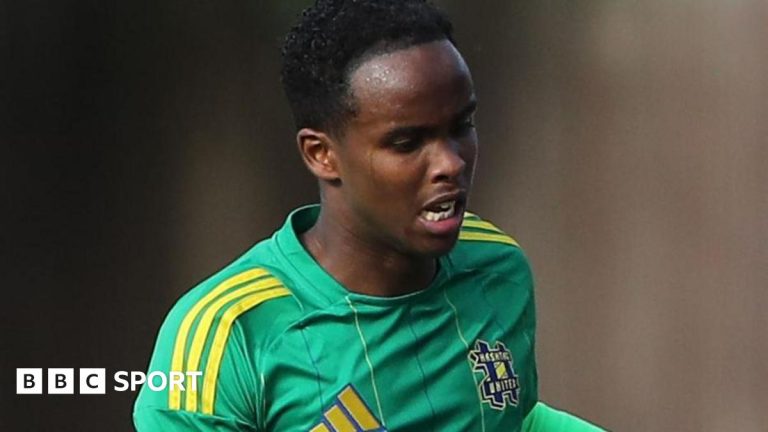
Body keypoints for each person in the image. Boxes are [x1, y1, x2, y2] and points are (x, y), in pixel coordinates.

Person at [134, 0, 606, 430]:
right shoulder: (228, 335)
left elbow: (514, 421)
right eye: (407, 142)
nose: (451, 163)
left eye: (461, 126)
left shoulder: (496, 267)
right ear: (321, 154)